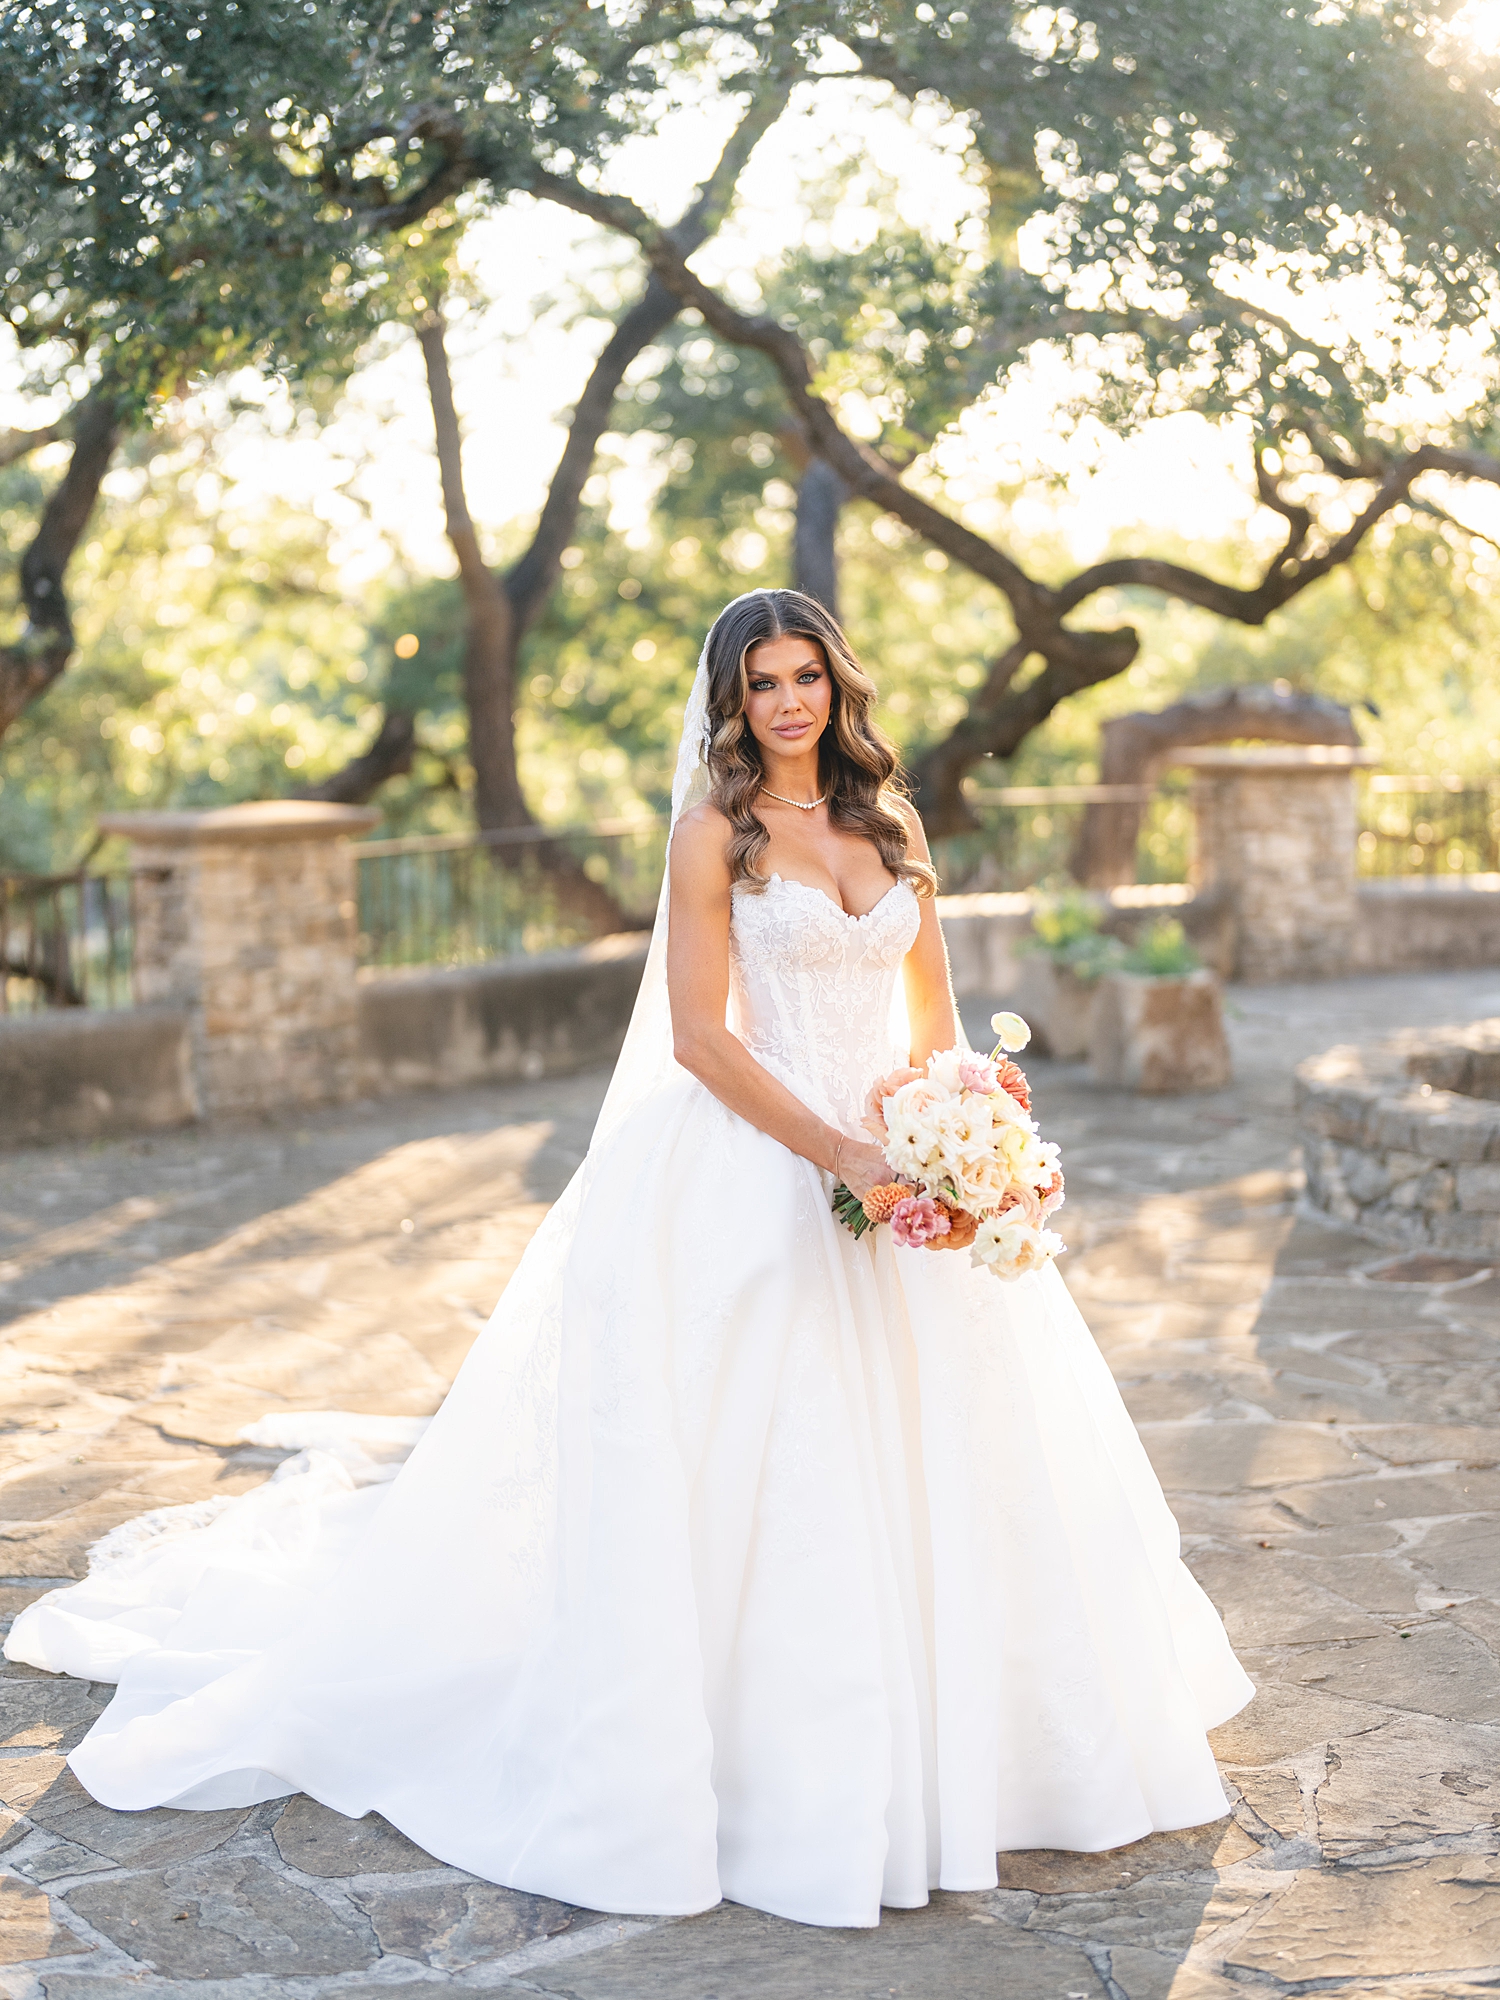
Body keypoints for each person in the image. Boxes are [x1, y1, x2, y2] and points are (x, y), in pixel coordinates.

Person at [7, 589, 1252, 1930]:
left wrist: (968, 1145)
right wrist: (844, 1155)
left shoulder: (891, 821)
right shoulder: (712, 836)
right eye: (763, 681)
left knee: (960, 1450)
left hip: (903, 1173)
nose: (789, 701)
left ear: (839, 685)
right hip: (766, 1162)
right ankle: (780, 1766)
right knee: (783, 1459)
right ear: (732, 699)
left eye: (807, 676)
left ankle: (976, 1751)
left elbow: (937, 1019)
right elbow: (702, 1041)